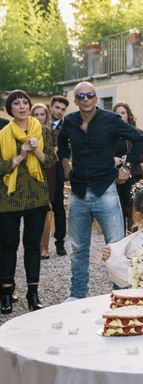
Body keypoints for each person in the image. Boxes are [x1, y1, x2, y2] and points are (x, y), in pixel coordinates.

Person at [57, 82, 143, 301]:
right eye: (81, 96)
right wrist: (66, 165)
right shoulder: (69, 122)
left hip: (105, 190)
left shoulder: (111, 120)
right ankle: (77, 295)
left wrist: (126, 167)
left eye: (90, 95)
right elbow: (61, 144)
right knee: (78, 248)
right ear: (76, 101)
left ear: (96, 98)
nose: (85, 99)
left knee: (116, 247)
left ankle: (122, 294)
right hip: (78, 192)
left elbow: (138, 139)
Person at [0, 90, 55, 313]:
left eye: (25, 102)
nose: (22, 106)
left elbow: (50, 162)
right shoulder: (3, 134)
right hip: (8, 199)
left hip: (36, 197)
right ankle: (6, 292)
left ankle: (33, 293)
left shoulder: (42, 131)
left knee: (33, 246)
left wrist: (37, 151)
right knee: (7, 247)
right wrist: (21, 155)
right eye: (17, 103)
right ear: (10, 108)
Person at [112, 102, 143, 234]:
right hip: (115, 176)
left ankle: (133, 239)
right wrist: (115, 160)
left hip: (134, 176)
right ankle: (119, 242)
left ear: (128, 115)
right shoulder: (110, 134)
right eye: (117, 114)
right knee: (118, 210)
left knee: (133, 210)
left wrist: (130, 159)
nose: (120, 116)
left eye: (123, 113)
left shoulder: (137, 133)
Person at [30, 104, 55, 259]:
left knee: (46, 212)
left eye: (42, 114)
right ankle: (34, 246)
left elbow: (53, 157)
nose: (39, 118)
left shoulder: (49, 132)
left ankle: (45, 247)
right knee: (31, 215)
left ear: (47, 116)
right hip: (29, 176)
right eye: (36, 114)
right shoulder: (25, 132)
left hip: (47, 174)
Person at [49, 95, 69, 256]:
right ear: (51, 107)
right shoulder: (39, 123)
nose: (59, 111)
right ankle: (38, 243)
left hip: (57, 170)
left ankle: (59, 242)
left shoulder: (67, 127)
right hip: (40, 169)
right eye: (57, 107)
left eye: (63, 109)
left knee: (58, 208)